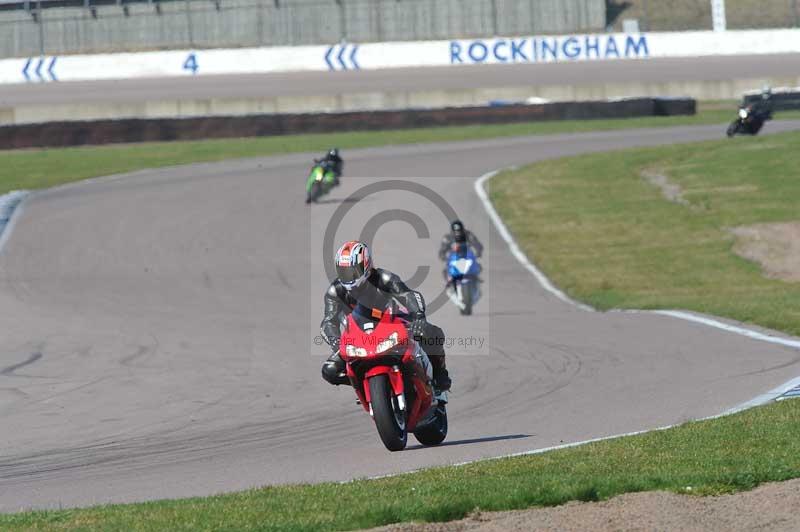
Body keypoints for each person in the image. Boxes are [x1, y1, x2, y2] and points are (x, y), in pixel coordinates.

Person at [320, 240, 451, 391]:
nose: (348, 276)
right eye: (343, 271)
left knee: (432, 333)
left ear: (366, 265)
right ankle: (366, 384)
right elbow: (328, 322)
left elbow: (408, 295)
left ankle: (440, 374)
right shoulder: (335, 291)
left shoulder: (383, 278)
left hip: (392, 322)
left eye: (352, 271)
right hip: (357, 337)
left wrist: (419, 317)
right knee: (329, 371)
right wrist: (336, 343)